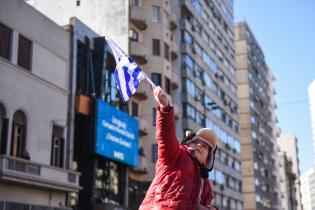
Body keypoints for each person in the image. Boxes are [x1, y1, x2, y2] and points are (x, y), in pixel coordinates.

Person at [139, 86, 218, 210]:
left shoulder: (206, 184)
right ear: (187, 144)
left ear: (208, 160)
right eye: (196, 142)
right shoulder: (176, 155)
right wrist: (165, 108)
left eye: (205, 147)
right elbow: (165, 137)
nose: (199, 146)